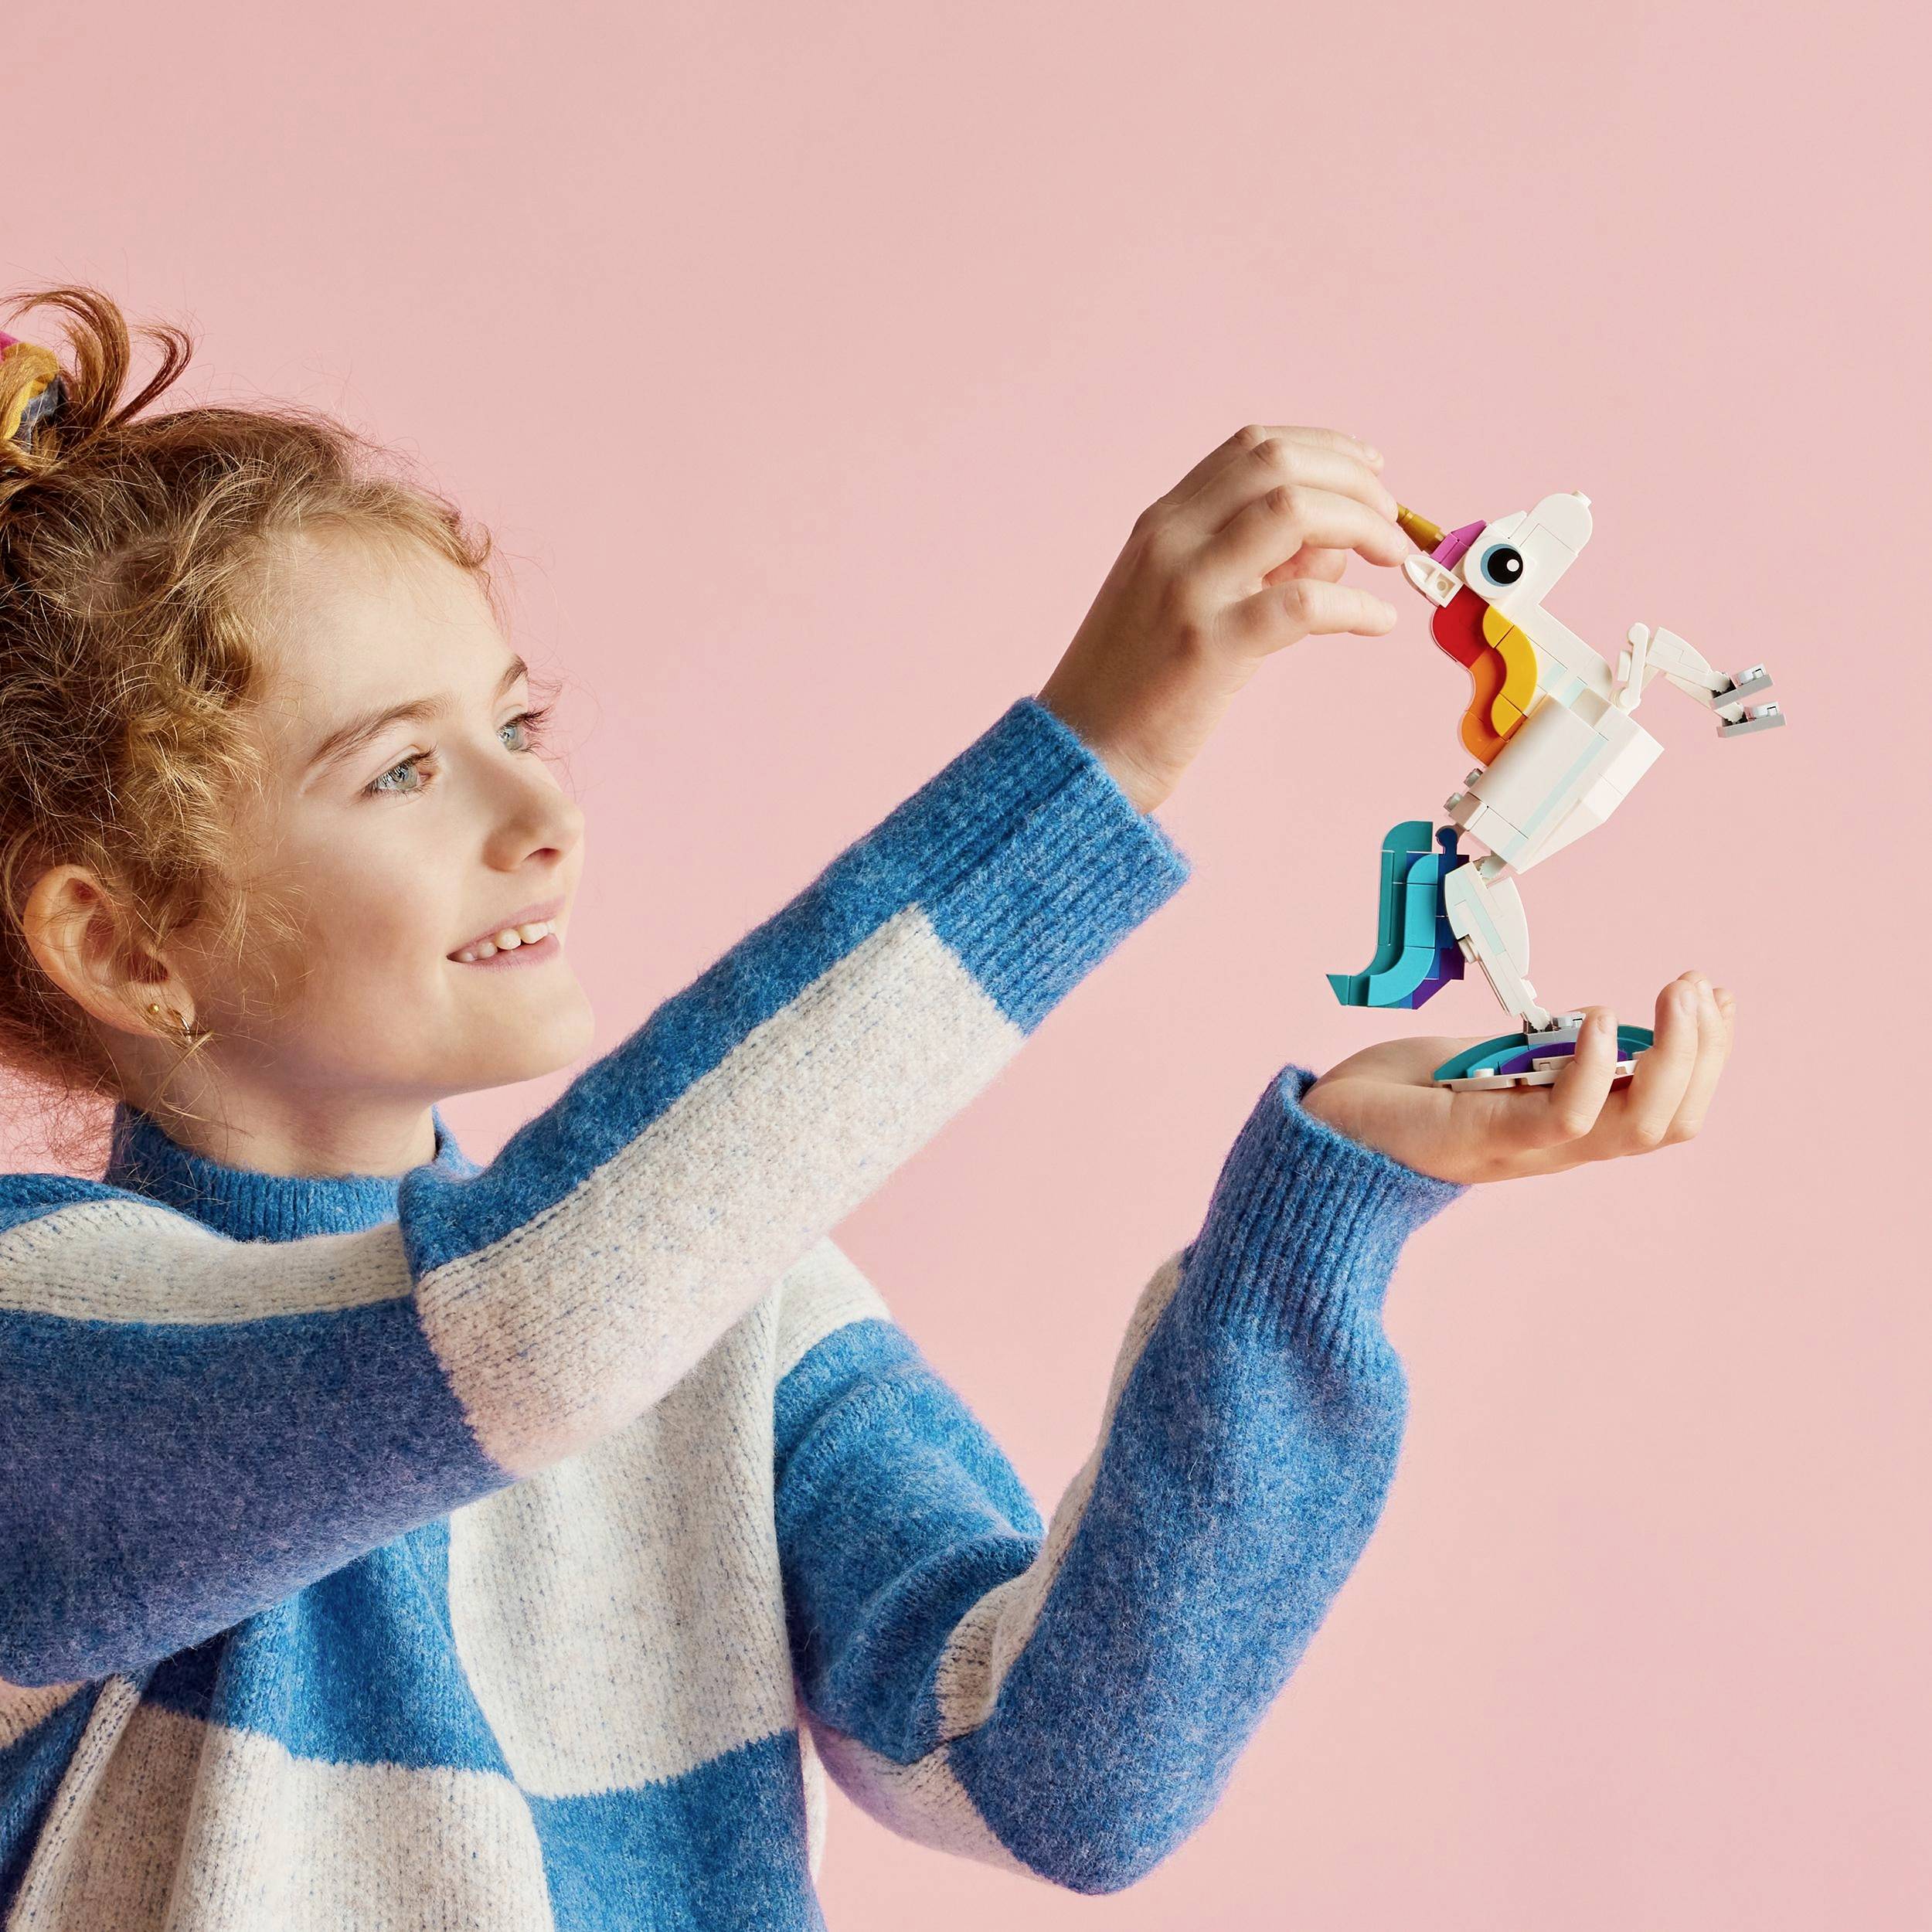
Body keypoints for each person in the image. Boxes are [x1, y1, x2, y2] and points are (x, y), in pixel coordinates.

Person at [0, 285, 1735, 1925]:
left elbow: (1062, 1777)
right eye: (400, 766)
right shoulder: (44, 1330)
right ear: (128, 938)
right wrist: (1093, 762)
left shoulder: (715, 1308)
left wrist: (1321, 1209)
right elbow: (510, 1333)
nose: (541, 807)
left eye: (520, 719)